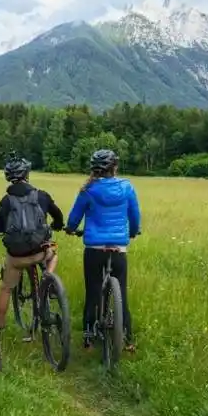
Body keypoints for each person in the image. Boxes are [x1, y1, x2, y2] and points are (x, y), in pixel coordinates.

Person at [64, 148, 140, 353]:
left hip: (94, 249)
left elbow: (74, 218)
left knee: (93, 292)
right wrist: (133, 232)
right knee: (121, 294)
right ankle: (128, 339)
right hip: (119, 248)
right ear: (115, 167)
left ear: (94, 170)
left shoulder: (88, 190)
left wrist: (71, 230)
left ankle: (88, 336)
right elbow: (134, 216)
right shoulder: (127, 187)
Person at [0, 155, 64, 335]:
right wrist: (57, 225)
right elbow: (58, 215)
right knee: (53, 253)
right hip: (40, 251)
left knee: (6, 288)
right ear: (27, 174)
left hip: (17, 257)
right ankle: (48, 277)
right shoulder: (42, 195)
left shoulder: (6, 201)